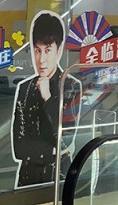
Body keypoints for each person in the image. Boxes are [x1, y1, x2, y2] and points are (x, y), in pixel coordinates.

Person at [12, 11, 81, 188]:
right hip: (27, 179)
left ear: (59, 50)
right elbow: (19, 147)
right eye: (37, 50)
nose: (41, 59)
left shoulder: (71, 86)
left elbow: (65, 141)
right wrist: (52, 150)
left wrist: (48, 98)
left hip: (59, 177)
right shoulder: (25, 88)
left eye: (48, 50)